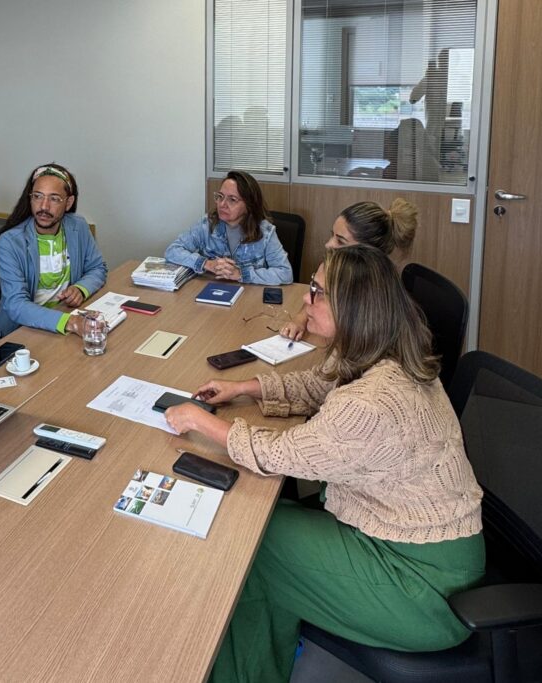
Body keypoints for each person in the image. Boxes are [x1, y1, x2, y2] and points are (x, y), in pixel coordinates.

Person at [165, 245, 484, 682]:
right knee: (260, 527)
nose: (305, 301)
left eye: (317, 292)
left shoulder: (372, 402)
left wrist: (202, 423)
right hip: (412, 540)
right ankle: (256, 660)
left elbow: (280, 456)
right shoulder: (380, 353)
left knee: (250, 541)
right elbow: (320, 385)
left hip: (422, 587)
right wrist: (245, 388)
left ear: (354, 307)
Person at [0, 163, 107, 339]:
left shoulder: (78, 226)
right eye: (37, 196)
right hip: (22, 330)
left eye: (54, 199)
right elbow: (16, 305)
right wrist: (70, 322)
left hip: (62, 319)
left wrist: (81, 289)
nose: (44, 206)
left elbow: (98, 268)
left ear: (68, 203)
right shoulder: (11, 242)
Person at [280, 198, 418, 339]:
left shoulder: (374, 302)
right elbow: (318, 296)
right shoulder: (342, 272)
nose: (328, 244)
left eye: (340, 241)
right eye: (332, 235)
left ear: (367, 252)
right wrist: (299, 320)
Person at [164, 170, 292, 285]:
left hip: (250, 298)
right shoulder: (207, 224)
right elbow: (172, 251)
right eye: (220, 196)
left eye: (232, 200)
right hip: (211, 292)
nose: (222, 204)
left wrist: (241, 274)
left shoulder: (265, 232)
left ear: (249, 205)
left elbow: (285, 273)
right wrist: (206, 264)